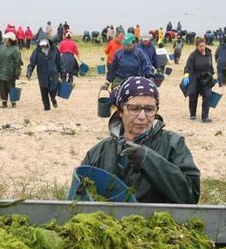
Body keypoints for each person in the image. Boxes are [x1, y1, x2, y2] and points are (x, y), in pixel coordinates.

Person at [81, 76, 200, 204]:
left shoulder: (173, 144)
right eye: (134, 108)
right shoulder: (100, 151)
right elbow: (80, 195)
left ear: (156, 111)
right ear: (120, 110)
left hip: (156, 222)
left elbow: (191, 196)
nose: (142, 116)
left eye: (149, 109)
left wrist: (149, 160)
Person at [182, 36, 215, 123]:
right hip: (195, 78)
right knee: (193, 97)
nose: (202, 48)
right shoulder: (193, 55)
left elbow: (211, 66)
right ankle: (192, 114)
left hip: (206, 78)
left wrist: (214, 75)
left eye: (203, 46)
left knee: (207, 96)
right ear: (197, 46)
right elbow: (188, 66)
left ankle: (205, 117)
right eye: (200, 46)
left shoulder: (209, 54)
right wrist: (186, 75)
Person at [27, 38, 62, 111]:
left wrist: (62, 72)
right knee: (44, 90)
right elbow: (32, 63)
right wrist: (29, 72)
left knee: (53, 89)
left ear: (48, 43)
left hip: (53, 73)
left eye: (45, 45)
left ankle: (53, 99)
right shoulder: (37, 51)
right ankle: (46, 107)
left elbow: (59, 62)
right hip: (42, 74)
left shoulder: (54, 49)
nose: (43, 46)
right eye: (42, 45)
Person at [0, 32, 23, 108]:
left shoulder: (15, 50)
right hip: (1, 71)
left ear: (9, 40)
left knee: (11, 87)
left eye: (6, 38)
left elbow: (18, 63)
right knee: (2, 87)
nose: (4, 39)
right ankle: (4, 103)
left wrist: (16, 74)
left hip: (10, 73)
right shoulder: (2, 47)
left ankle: (13, 103)